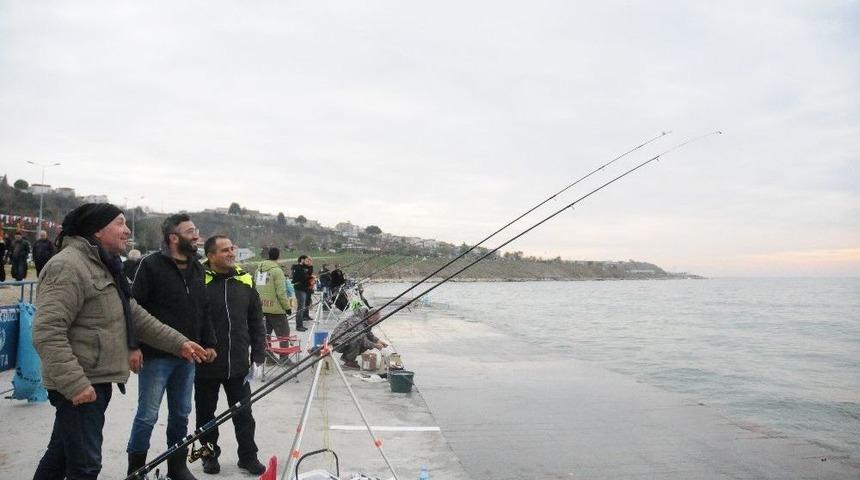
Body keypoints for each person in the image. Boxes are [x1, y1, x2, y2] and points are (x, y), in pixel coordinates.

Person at [31, 203, 209, 480]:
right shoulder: (68, 266)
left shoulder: (105, 267)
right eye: (120, 223)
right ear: (97, 231)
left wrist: (180, 343)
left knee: (60, 456)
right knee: (85, 466)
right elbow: (47, 331)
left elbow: (136, 317)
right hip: (80, 382)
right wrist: (75, 383)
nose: (127, 231)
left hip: (94, 380)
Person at [126, 214, 218, 479]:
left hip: (188, 357)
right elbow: (133, 310)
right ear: (173, 238)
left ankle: (176, 467)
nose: (196, 236)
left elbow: (204, 308)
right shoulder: (151, 265)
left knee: (181, 414)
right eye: (190, 231)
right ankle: (136, 470)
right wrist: (133, 346)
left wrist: (209, 342)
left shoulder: (197, 268)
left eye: (196, 230)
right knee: (147, 415)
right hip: (156, 357)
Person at [195, 235, 267, 475]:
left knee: (244, 414)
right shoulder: (198, 280)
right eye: (225, 250)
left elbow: (256, 320)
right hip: (206, 363)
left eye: (232, 249)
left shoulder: (245, 280)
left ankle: (248, 456)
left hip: (238, 364)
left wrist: (258, 354)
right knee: (205, 415)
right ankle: (208, 456)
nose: (231, 253)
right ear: (210, 255)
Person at [255, 247, 293, 348]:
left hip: (262, 308)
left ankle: (267, 355)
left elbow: (256, 288)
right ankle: (284, 356)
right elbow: (281, 293)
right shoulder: (277, 271)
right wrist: (287, 307)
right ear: (278, 256)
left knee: (265, 336)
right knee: (284, 335)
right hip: (276, 310)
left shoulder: (258, 270)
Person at [290, 255, 313, 331]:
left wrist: (310, 266)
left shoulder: (304, 268)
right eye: (306, 260)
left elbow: (308, 273)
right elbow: (302, 277)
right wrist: (309, 277)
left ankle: (301, 324)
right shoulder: (297, 267)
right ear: (302, 260)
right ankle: (299, 325)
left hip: (304, 289)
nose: (308, 262)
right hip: (299, 289)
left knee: (302, 307)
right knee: (300, 307)